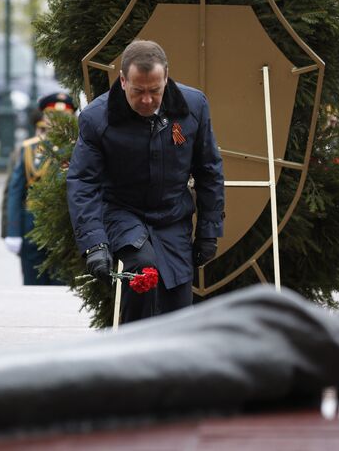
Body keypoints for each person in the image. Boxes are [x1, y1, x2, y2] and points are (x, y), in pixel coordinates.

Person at [67, 40, 225, 323]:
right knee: (143, 269)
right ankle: (133, 356)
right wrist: (95, 244)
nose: (147, 100)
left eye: (155, 91)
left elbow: (209, 169)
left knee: (178, 303)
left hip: (172, 214)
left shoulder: (194, 106)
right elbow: (83, 183)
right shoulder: (96, 119)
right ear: (123, 81)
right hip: (122, 212)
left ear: (166, 78)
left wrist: (208, 231)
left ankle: (174, 365)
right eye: (138, 91)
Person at [4, 92, 76, 285]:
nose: (57, 121)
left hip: (64, 226)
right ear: (44, 117)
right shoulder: (29, 148)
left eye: (64, 117)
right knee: (32, 285)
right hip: (32, 226)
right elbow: (15, 192)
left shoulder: (78, 148)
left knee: (62, 286)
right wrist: (12, 231)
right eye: (52, 116)